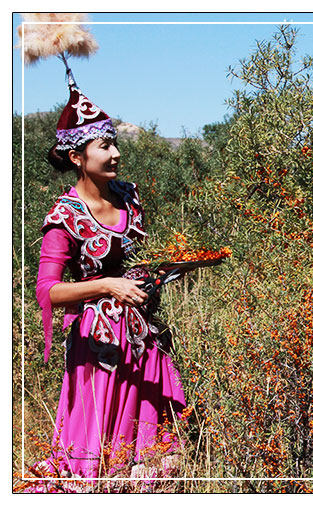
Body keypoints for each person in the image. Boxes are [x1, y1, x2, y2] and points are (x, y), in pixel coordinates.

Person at [35, 76, 186, 479]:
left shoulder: (128, 196)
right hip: (99, 345)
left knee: (148, 445)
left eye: (115, 142)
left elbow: (136, 260)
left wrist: (169, 270)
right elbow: (47, 292)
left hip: (144, 336)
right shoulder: (64, 216)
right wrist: (107, 285)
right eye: (105, 146)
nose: (116, 153)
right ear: (76, 158)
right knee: (100, 451)